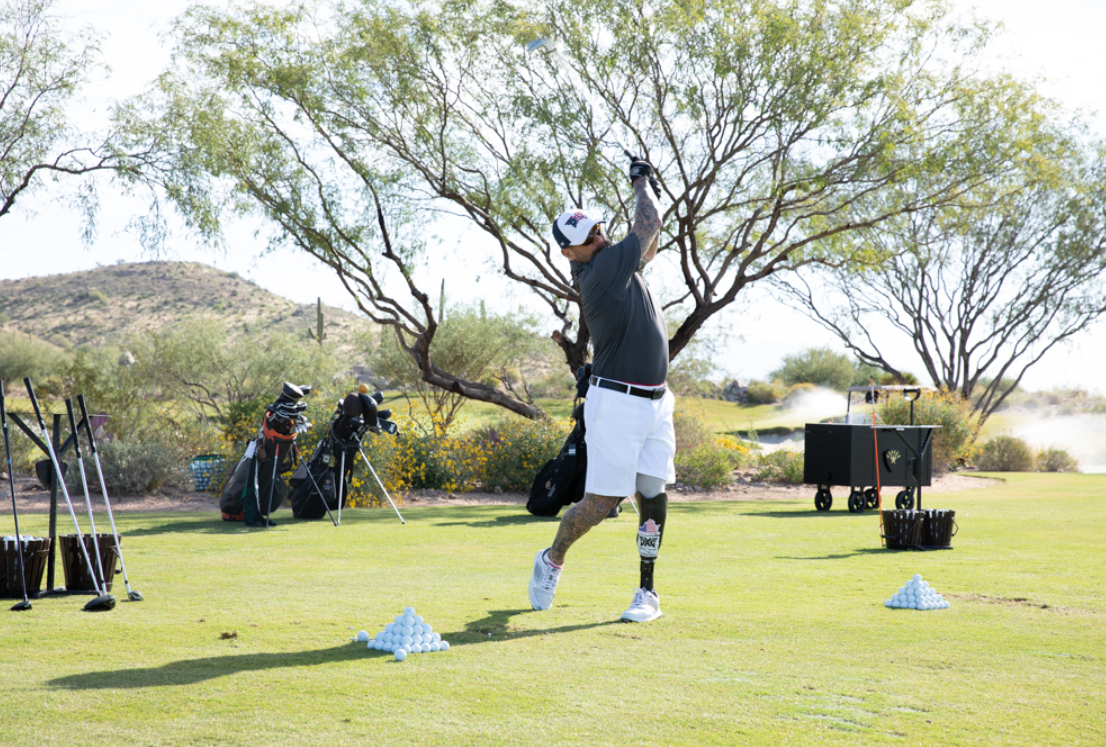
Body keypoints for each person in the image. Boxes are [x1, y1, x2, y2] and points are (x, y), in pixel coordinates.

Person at [528, 157, 674, 623]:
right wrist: (641, 180)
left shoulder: (611, 262)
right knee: (600, 504)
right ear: (571, 254)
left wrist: (648, 197)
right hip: (616, 403)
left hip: (657, 401)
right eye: (587, 238)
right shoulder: (602, 270)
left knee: (652, 495)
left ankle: (646, 592)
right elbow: (650, 221)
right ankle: (552, 558)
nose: (599, 237)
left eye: (598, 229)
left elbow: (650, 240)